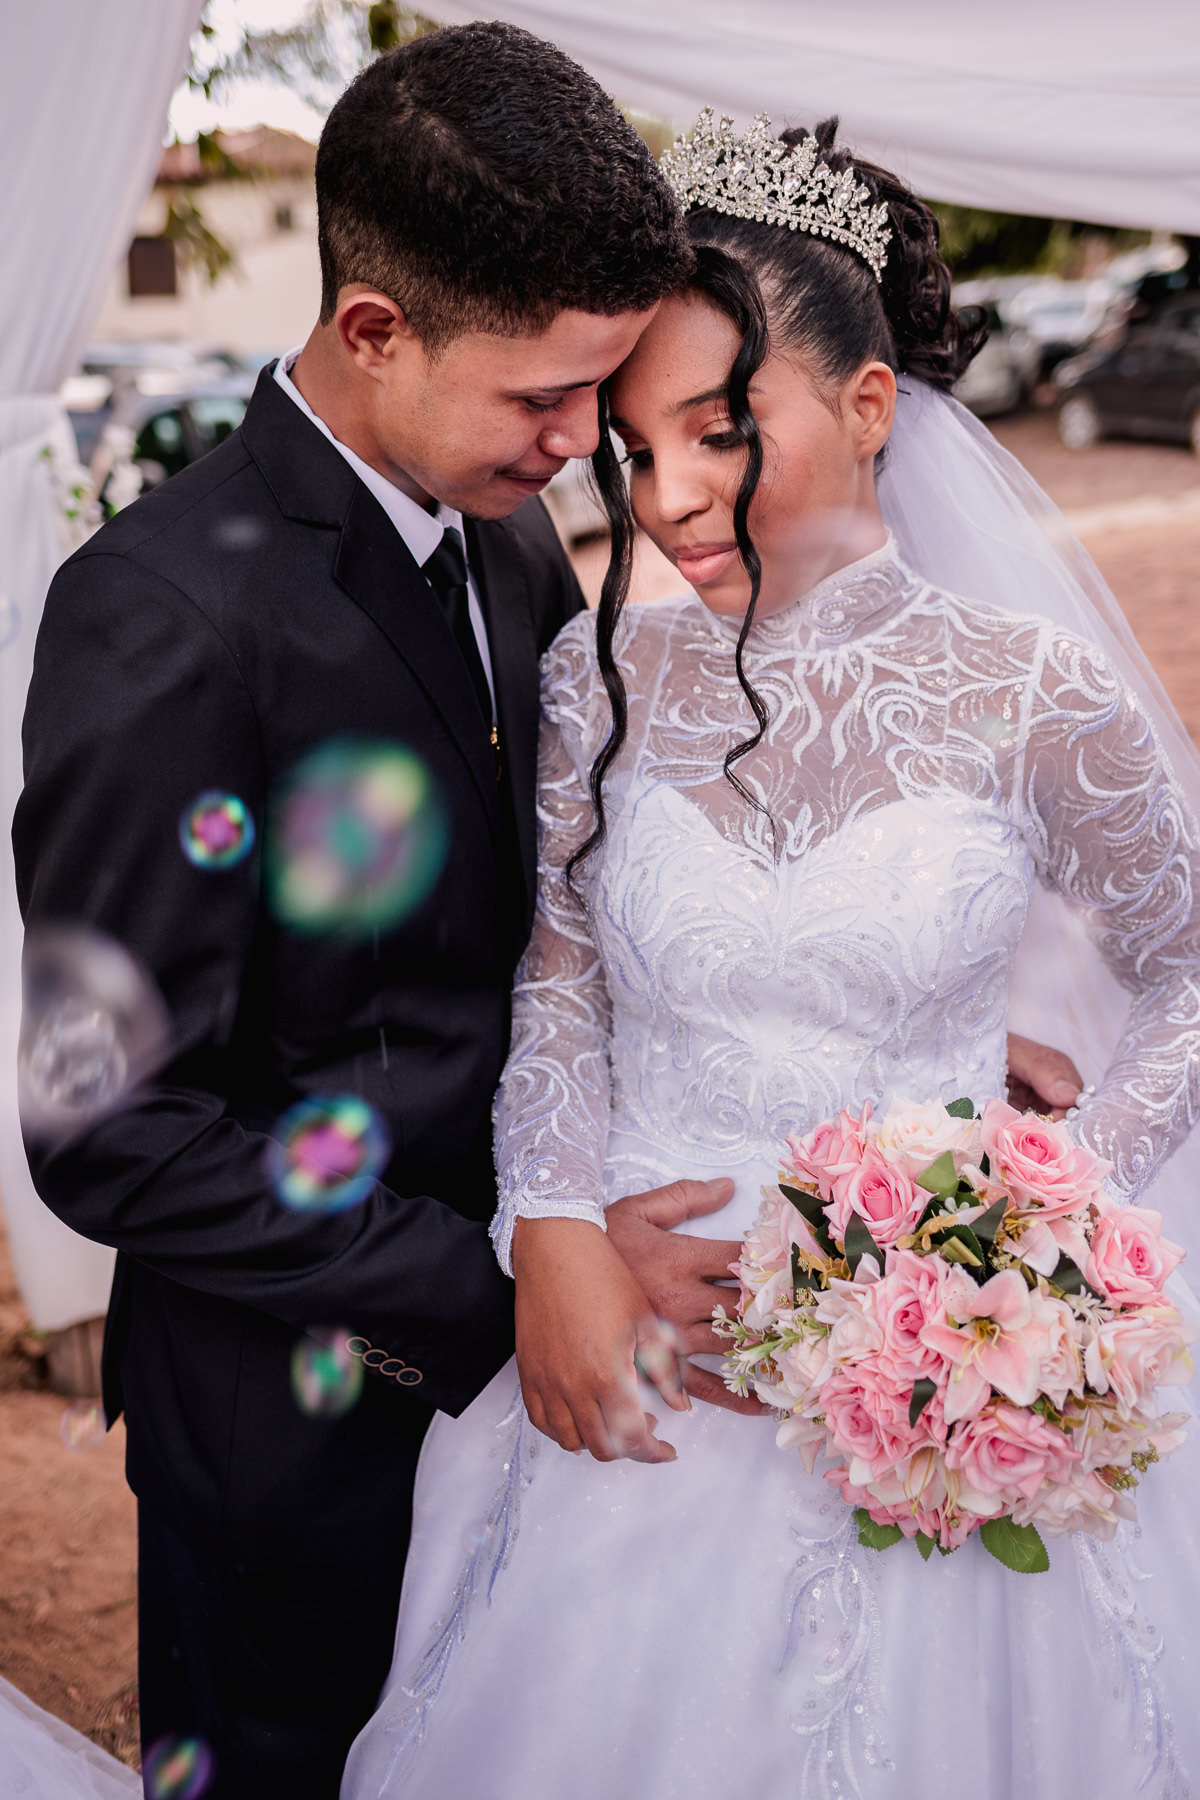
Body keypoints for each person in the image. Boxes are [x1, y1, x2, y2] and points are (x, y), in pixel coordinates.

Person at [343, 115, 1200, 1799]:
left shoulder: (1038, 695)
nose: (668, 501)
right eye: (632, 450)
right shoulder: (600, 686)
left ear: (870, 407)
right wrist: (556, 1234)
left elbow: (1190, 971)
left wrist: (1033, 1235)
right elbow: (561, 991)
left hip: (940, 1374)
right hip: (645, 1369)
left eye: (723, 433)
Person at [12, 27, 710, 1797]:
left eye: (600, 395)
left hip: (549, 1412)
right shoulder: (160, 616)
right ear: (373, 328)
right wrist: (491, 1285)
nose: (580, 449)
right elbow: (112, 1135)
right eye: (544, 399)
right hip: (300, 1440)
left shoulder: (504, 527)